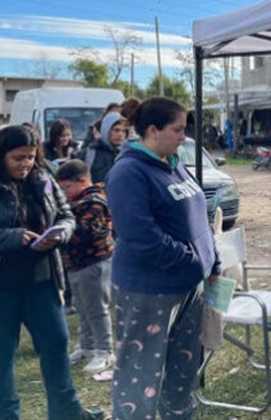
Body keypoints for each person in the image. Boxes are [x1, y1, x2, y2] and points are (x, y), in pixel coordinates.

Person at [0, 125, 104, 419]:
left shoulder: (42, 178)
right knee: (0, 356)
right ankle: (4, 415)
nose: (26, 164)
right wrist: (14, 237)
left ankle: (66, 412)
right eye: (18, 158)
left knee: (56, 346)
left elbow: (66, 214)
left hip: (42, 282)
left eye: (30, 157)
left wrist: (61, 233)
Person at [106, 97, 221, 420]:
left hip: (187, 287)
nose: (183, 136)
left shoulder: (173, 163)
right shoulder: (129, 172)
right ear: (153, 130)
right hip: (148, 291)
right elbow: (140, 236)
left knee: (182, 369)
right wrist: (191, 260)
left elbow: (198, 216)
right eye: (178, 129)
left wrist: (211, 259)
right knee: (140, 375)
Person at [55, 159, 115, 374]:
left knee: (97, 308)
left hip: (94, 263)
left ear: (81, 181)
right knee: (82, 307)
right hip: (75, 265)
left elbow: (92, 232)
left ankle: (104, 350)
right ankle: (87, 345)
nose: (64, 193)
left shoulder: (94, 202)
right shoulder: (75, 202)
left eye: (66, 188)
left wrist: (62, 231)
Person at [78, 111, 127, 184]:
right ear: (106, 130)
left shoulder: (126, 155)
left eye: (124, 131)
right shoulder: (88, 154)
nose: (120, 134)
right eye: (116, 130)